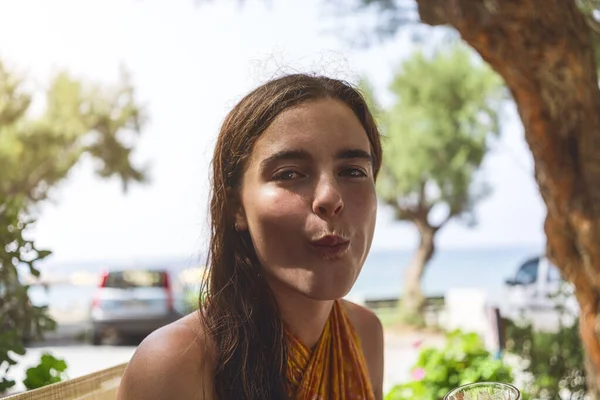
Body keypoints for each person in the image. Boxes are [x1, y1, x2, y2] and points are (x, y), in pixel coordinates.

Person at [117, 73, 385, 400]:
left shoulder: (364, 334)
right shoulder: (176, 364)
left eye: (353, 171)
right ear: (236, 208)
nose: (330, 198)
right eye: (289, 174)